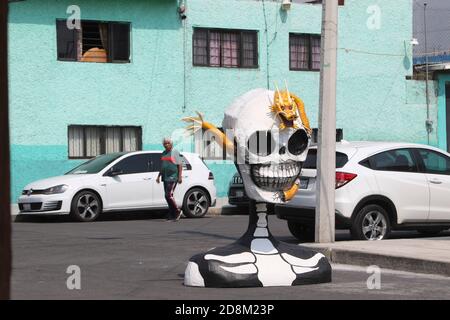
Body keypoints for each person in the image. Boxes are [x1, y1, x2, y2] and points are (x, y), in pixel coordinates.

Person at [156, 138, 183, 222]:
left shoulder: (175, 152)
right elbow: (163, 165)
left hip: (173, 177)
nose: (166, 144)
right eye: (165, 143)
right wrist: (158, 176)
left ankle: (177, 211)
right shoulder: (163, 153)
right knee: (167, 196)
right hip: (165, 177)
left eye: (168, 143)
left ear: (171, 144)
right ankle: (172, 213)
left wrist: (179, 176)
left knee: (169, 195)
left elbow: (180, 164)